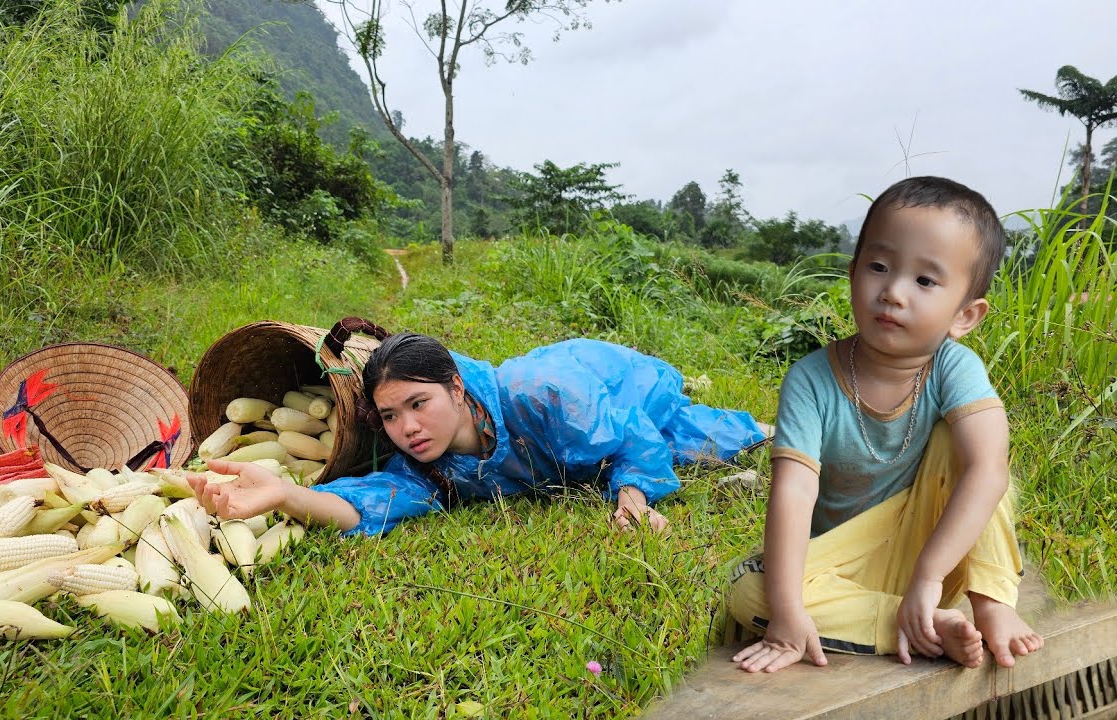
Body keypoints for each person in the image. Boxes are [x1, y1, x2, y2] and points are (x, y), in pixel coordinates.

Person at [728, 176, 1044, 675]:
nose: (893, 292)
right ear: (853, 274)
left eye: (924, 281)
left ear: (966, 315)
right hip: (844, 561)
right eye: (878, 267)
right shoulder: (810, 379)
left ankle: (991, 605)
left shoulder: (952, 368)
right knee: (749, 593)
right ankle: (916, 626)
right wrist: (786, 613)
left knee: (974, 455)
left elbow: (988, 471)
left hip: (938, 557)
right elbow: (793, 492)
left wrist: (927, 576)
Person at [188, 332, 769, 537]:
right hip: (568, 400)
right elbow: (368, 505)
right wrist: (287, 493)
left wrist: (632, 499)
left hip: (605, 380)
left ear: (458, 390)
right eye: (390, 416)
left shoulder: (541, 392)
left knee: (693, 435)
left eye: (419, 404)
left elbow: (631, 436)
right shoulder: (430, 467)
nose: (407, 428)